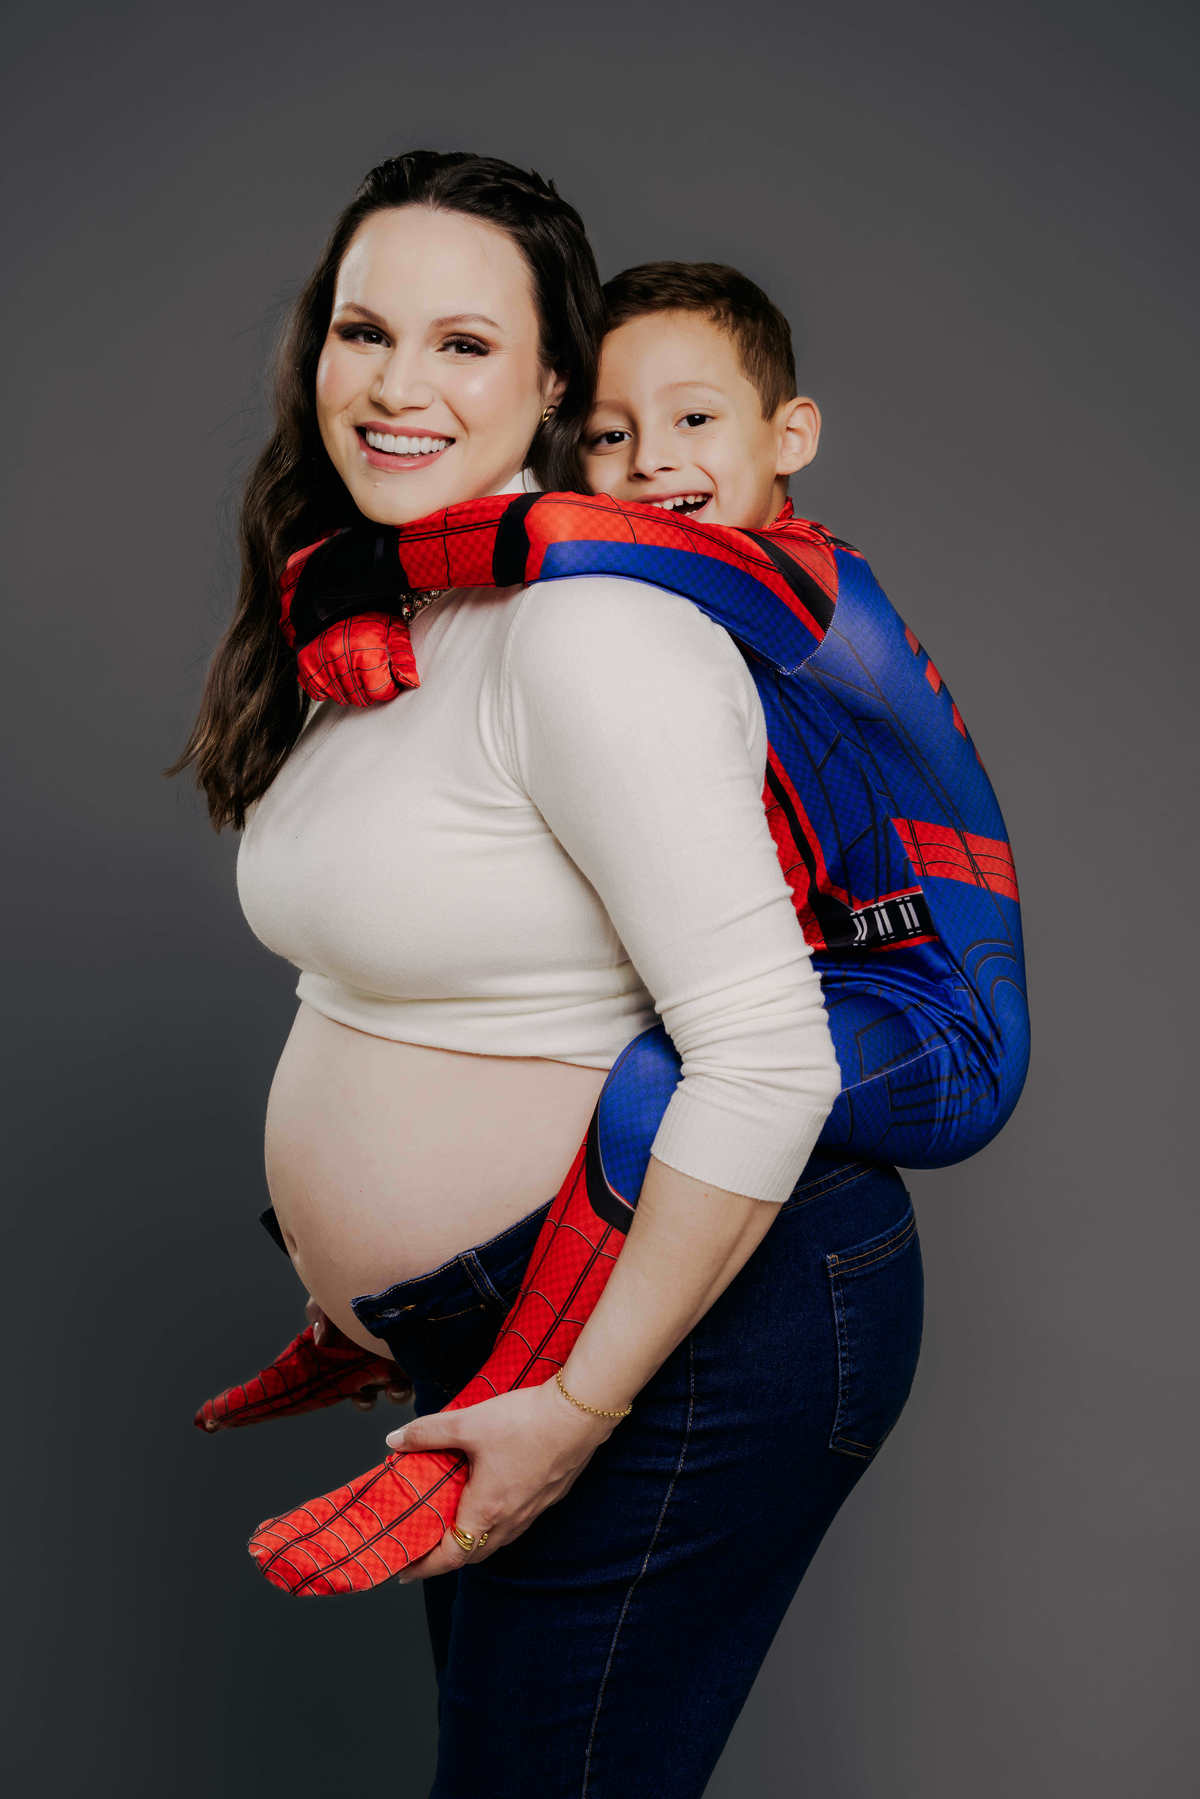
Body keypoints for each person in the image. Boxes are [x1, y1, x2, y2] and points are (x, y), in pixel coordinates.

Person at [176, 152, 927, 1797]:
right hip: (511, 1328)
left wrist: (576, 1404)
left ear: (552, 387)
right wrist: (382, 1287)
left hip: (690, 1339)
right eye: (365, 331)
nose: (398, 386)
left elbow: (769, 1059)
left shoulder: (589, 636)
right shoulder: (391, 613)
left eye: (464, 344)